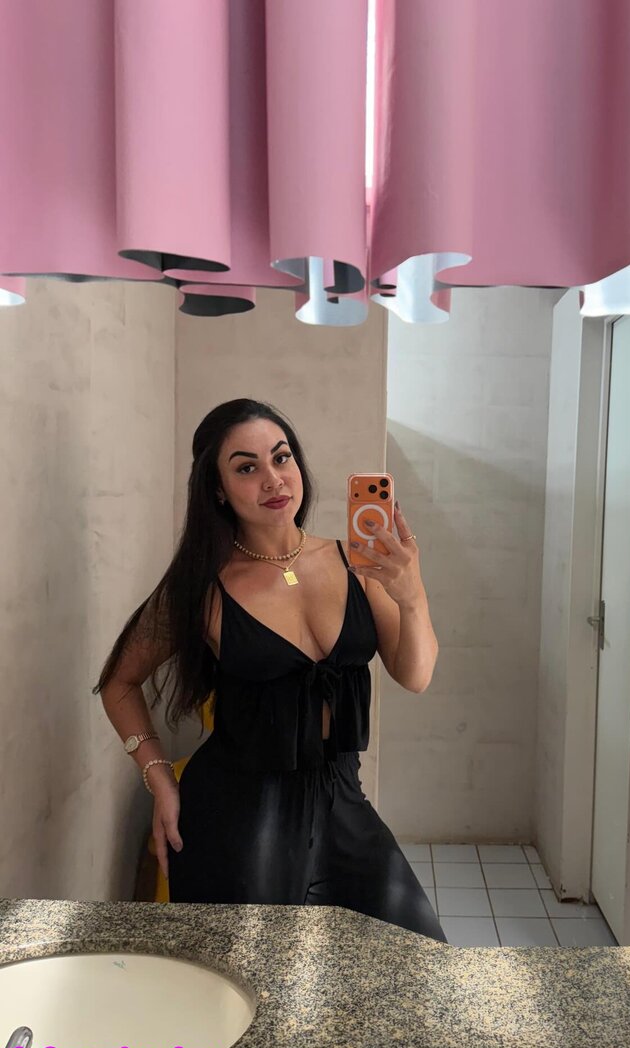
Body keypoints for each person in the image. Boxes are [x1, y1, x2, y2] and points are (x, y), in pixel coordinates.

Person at [94, 398, 447, 943]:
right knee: (248, 982)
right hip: (238, 817)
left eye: (281, 458)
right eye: (246, 467)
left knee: (417, 957)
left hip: (344, 801)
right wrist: (159, 777)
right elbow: (118, 682)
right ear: (218, 490)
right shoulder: (203, 586)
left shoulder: (356, 562)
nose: (273, 479)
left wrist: (412, 595)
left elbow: (415, 675)